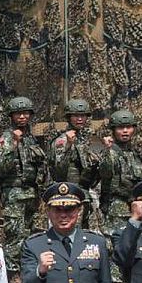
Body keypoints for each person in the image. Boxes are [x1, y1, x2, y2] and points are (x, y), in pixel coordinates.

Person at [0, 95, 48, 283]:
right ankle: (12, 274)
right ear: (12, 115)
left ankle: (25, 270)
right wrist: (14, 145)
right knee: (14, 235)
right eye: (18, 113)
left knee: (28, 235)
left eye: (26, 113)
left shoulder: (31, 138)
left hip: (31, 194)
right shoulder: (7, 138)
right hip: (14, 193)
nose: (23, 116)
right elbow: (4, 167)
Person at [97, 108, 142, 283]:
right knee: (117, 246)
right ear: (113, 130)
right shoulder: (110, 153)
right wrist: (108, 150)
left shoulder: (134, 155)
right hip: (116, 206)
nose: (125, 131)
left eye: (128, 127)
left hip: (135, 206)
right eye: (120, 128)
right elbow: (106, 172)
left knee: (134, 245)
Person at [48, 98, 103, 233]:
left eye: (83, 115)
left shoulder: (85, 141)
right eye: (76, 116)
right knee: (71, 232)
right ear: (68, 117)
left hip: (86, 194)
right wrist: (68, 146)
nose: (80, 119)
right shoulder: (62, 140)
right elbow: (58, 170)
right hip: (68, 195)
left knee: (87, 235)